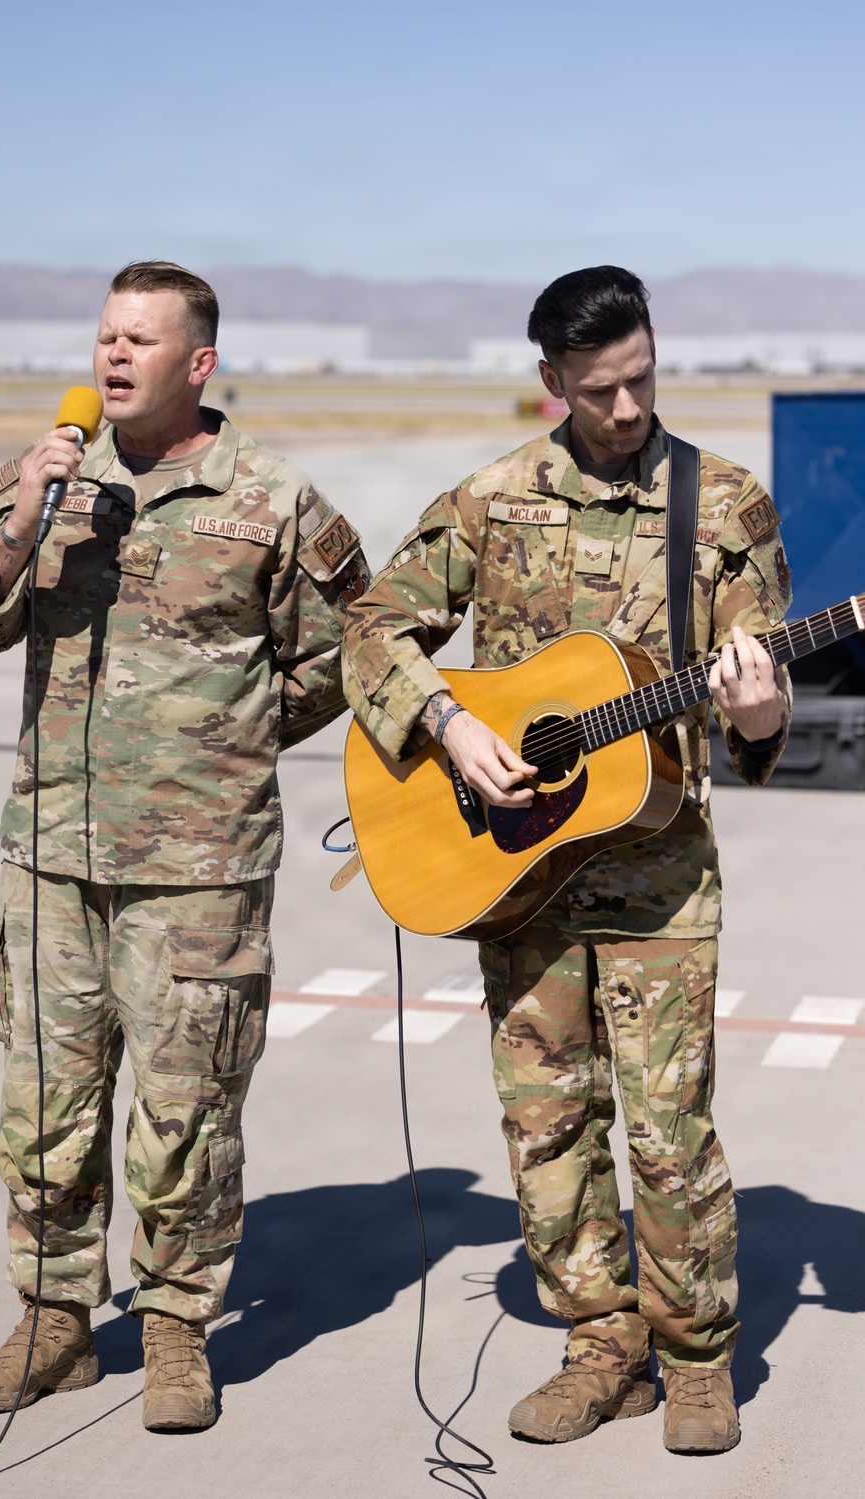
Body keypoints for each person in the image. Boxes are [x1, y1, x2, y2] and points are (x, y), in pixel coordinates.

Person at [342, 266, 791, 1455]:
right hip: (518, 868)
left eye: (644, 375)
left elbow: (763, 715)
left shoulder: (725, 500)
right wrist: (447, 722)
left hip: (659, 876)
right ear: (551, 382)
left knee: (667, 1124)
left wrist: (754, 712)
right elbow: (373, 625)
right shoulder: (491, 500)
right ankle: (601, 1344)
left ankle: (696, 1355)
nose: (631, 405)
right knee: (544, 1122)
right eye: (601, 389)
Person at [0, 260, 369, 1432]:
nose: (113, 357)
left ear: (198, 363)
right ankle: (54, 1322)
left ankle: (179, 1329)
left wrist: (235, 734)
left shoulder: (270, 497)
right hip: (50, 855)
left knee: (185, 1117)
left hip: (199, 869)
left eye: (140, 340)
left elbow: (352, 641)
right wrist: (27, 508)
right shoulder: (48, 474)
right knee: (45, 1109)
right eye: (105, 335)